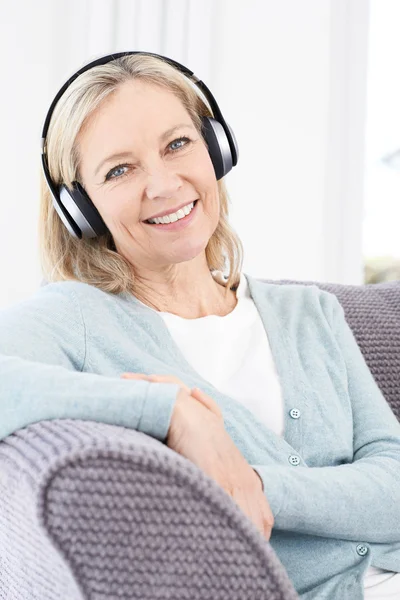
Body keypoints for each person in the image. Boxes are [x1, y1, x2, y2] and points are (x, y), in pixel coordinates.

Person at [0, 51, 399, 599]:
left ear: (216, 150)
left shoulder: (309, 313)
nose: (163, 184)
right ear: (80, 208)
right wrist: (171, 410)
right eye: (119, 169)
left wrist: (253, 483)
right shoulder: (76, 319)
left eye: (177, 144)